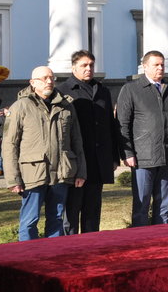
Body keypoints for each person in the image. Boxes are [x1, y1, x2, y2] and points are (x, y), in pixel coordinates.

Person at [3, 66, 87, 241]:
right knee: (29, 220)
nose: (49, 81)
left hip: (61, 173)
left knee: (56, 219)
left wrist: (81, 171)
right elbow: (10, 144)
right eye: (44, 78)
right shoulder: (20, 107)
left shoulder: (66, 106)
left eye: (52, 78)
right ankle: (27, 255)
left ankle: (53, 256)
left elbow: (77, 141)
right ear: (32, 83)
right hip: (32, 173)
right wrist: (13, 178)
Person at [117, 50, 168, 227]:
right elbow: (122, 124)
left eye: (162, 65)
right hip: (142, 157)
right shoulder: (131, 89)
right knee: (141, 205)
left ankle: (162, 237)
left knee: (163, 206)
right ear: (145, 66)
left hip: (167, 155)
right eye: (156, 65)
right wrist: (127, 153)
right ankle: (141, 239)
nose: (160, 68)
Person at [56, 50, 120, 234]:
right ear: (73, 67)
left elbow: (110, 125)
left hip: (98, 160)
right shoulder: (62, 91)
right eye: (84, 65)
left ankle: (91, 243)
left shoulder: (102, 90)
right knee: (72, 209)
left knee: (92, 211)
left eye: (91, 65)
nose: (88, 68)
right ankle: (70, 245)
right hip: (75, 159)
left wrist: (114, 157)